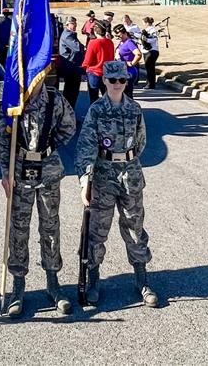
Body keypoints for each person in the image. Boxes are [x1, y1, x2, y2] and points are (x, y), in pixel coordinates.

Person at [74, 61, 157, 308]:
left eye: (122, 80)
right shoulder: (97, 110)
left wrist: (127, 160)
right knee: (98, 229)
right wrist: (84, 182)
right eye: (113, 80)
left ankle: (142, 280)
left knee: (135, 226)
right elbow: (86, 146)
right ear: (104, 82)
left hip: (130, 174)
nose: (118, 85)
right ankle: (93, 281)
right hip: (103, 175)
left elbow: (141, 141)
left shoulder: (134, 108)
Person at [0, 80, 76, 317]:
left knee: (50, 227)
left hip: (48, 171)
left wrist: (47, 147)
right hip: (19, 170)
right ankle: (18, 286)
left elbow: (68, 127)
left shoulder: (54, 99)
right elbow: (2, 139)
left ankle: (53, 283)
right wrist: (5, 171)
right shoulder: (14, 98)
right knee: (18, 229)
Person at [81, 20, 115, 104]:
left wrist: (83, 68)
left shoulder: (93, 43)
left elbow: (88, 60)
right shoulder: (110, 42)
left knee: (94, 98)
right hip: (107, 73)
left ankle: (95, 115)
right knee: (107, 97)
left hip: (94, 72)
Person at [59, 16, 85, 110]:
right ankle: (68, 112)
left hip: (73, 67)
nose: (75, 25)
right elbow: (78, 48)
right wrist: (83, 47)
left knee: (72, 93)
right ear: (67, 24)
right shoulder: (68, 35)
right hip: (71, 67)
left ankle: (69, 111)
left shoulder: (71, 34)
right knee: (71, 93)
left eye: (75, 23)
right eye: (72, 23)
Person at [113, 24, 142, 99]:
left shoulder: (129, 42)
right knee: (122, 94)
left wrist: (132, 63)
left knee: (127, 94)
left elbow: (138, 54)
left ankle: (129, 110)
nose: (118, 37)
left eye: (119, 35)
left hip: (129, 72)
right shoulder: (122, 42)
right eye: (116, 36)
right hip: (122, 71)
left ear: (124, 33)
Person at [141, 17, 160, 89]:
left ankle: (151, 84)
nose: (143, 24)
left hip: (152, 51)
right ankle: (150, 83)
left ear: (147, 23)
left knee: (150, 68)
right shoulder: (146, 30)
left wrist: (146, 39)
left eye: (143, 22)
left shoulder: (153, 29)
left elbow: (154, 39)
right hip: (146, 51)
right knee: (148, 68)